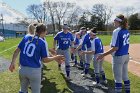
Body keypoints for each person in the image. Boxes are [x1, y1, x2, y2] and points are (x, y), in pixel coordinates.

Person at [9, 23, 64, 93]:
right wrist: (56, 57)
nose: (46, 33)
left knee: (23, 90)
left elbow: (16, 51)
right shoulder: (42, 42)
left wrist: (12, 63)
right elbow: (45, 59)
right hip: (34, 71)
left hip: (22, 69)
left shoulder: (26, 37)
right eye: (46, 31)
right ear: (43, 31)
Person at [97, 14, 130, 93]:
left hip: (118, 57)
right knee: (125, 76)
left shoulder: (116, 31)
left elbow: (115, 48)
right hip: (126, 56)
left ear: (118, 21)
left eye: (115, 20)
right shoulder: (126, 30)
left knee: (118, 79)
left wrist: (103, 55)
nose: (113, 22)